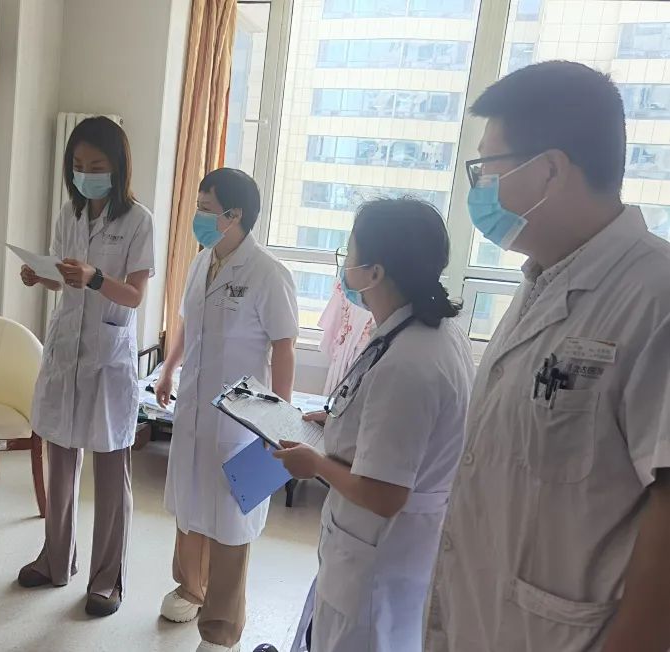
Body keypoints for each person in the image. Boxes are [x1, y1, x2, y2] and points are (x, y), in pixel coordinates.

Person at [426, 61, 670, 652]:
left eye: (487, 167)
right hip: (486, 619)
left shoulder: (655, 297)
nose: (478, 187)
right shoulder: (543, 280)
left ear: (550, 170)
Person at [269, 199, 473, 651]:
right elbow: (393, 421)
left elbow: (385, 495)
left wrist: (315, 464)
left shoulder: (411, 362)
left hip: (378, 557)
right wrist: (340, 419)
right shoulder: (422, 333)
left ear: (375, 272)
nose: (345, 265)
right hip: (380, 550)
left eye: (350, 252)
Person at [155, 168, 299, 652]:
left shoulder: (268, 273)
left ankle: (221, 628)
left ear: (234, 215)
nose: (197, 216)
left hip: (241, 416)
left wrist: (279, 420)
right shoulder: (202, 262)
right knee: (190, 505)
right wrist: (168, 371)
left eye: (205, 208)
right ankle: (190, 589)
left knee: (231, 520)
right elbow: (186, 325)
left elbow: (284, 347)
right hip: (194, 407)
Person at [17, 116, 155, 618]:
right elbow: (64, 277)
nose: (85, 174)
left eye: (96, 166)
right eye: (78, 165)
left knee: (111, 472)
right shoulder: (70, 212)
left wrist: (96, 278)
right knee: (59, 461)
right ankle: (56, 559)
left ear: (117, 167)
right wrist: (42, 277)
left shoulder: (138, 221)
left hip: (107, 357)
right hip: (66, 350)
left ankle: (107, 579)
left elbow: (134, 295)